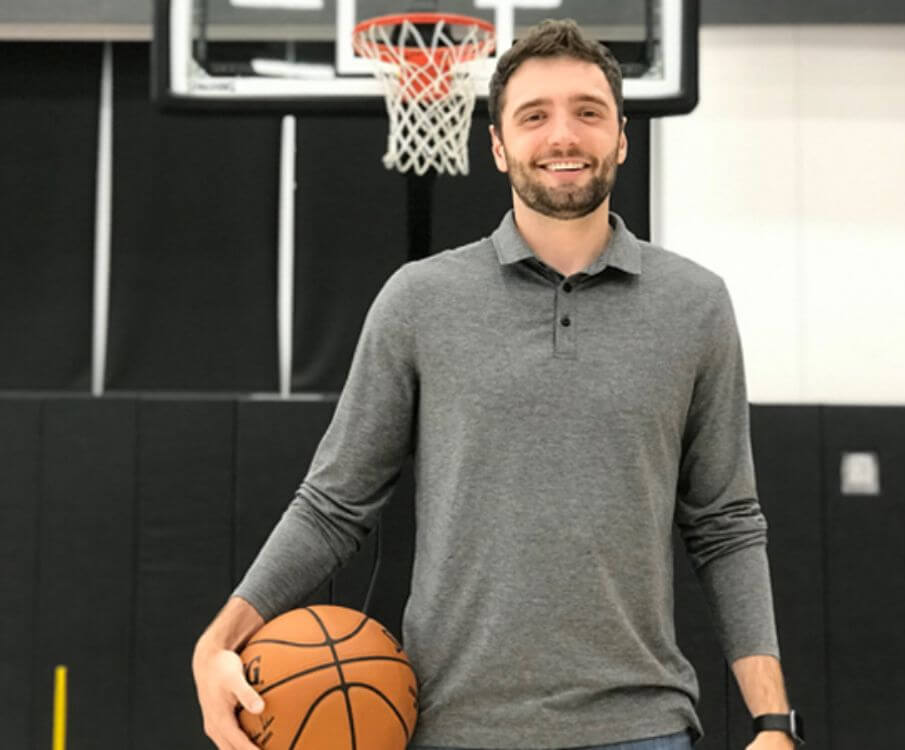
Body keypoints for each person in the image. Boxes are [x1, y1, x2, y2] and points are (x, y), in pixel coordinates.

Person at [192, 19, 803, 750]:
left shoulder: (695, 304)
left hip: (642, 726)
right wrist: (216, 641)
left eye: (588, 111)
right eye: (534, 115)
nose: (563, 136)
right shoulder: (420, 300)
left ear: (621, 136)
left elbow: (727, 522)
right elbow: (333, 503)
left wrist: (774, 722)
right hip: (456, 728)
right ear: (498, 145)